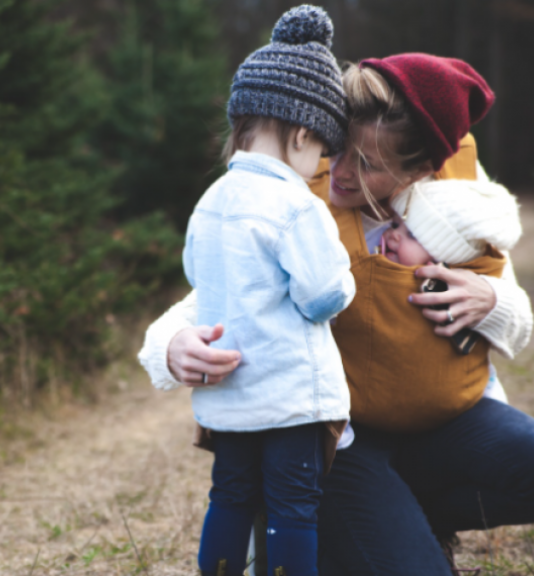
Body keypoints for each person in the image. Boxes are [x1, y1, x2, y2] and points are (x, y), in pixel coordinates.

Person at [139, 53, 534, 575]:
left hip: (442, 424)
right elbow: (218, 288)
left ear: (419, 169)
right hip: (340, 439)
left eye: (369, 164)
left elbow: (517, 316)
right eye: (339, 150)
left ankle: (403, 520)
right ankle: (349, 524)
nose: (342, 173)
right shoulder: (296, 191)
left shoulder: (456, 200)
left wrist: (493, 302)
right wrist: (169, 347)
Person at [181, 7, 354, 576]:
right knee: (293, 508)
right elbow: (323, 294)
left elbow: (195, 272)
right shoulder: (295, 203)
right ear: (303, 134)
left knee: (229, 495)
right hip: (289, 399)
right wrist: (344, 276)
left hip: (229, 395)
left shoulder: (211, 200)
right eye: (321, 153)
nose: (319, 167)